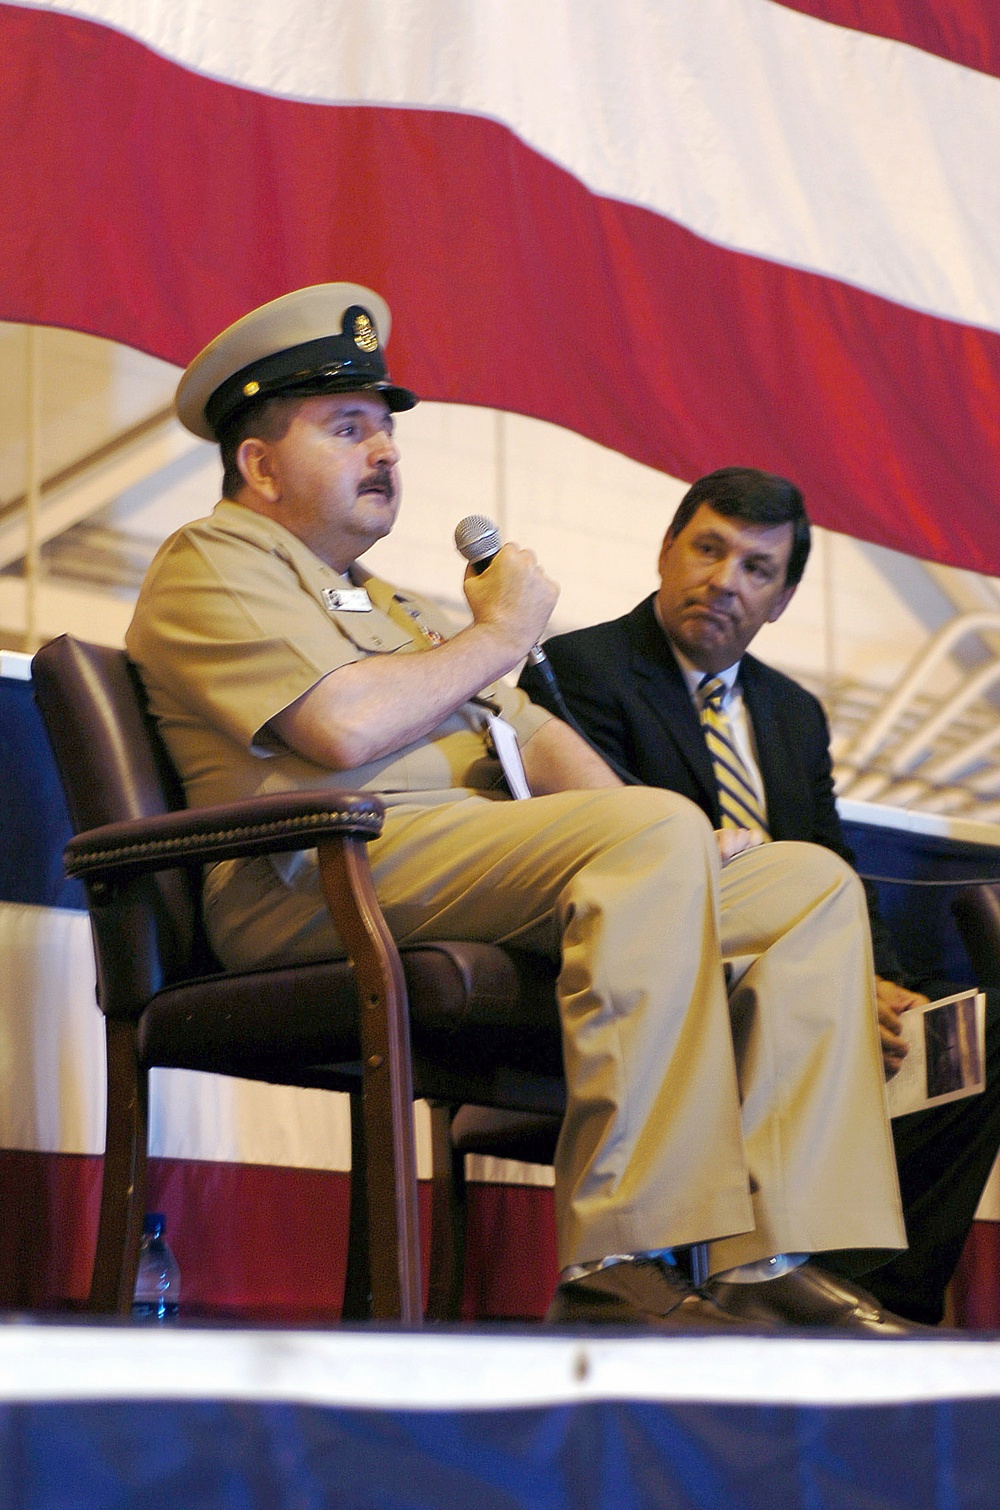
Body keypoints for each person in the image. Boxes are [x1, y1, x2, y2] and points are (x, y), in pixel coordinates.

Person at [126, 286, 915, 1334]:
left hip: (436, 863)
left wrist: (686, 845)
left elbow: (532, 736)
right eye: (348, 427)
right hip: (318, 874)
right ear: (260, 465)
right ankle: (621, 1260)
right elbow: (344, 730)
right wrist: (500, 637)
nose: (386, 454)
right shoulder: (213, 559)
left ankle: (769, 1260)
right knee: (652, 830)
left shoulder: (373, 596)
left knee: (804, 887)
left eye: (389, 430)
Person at [519, 465, 1000, 1325]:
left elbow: (832, 864)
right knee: (812, 996)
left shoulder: (791, 713)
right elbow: (609, 852)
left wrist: (881, 983)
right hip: (667, 964)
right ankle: (787, 1285)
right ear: (667, 551)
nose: (723, 581)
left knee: (976, 1039)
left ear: (781, 599)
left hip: (803, 961)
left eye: (756, 569)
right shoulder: (581, 667)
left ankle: (871, 1292)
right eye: (708, 549)